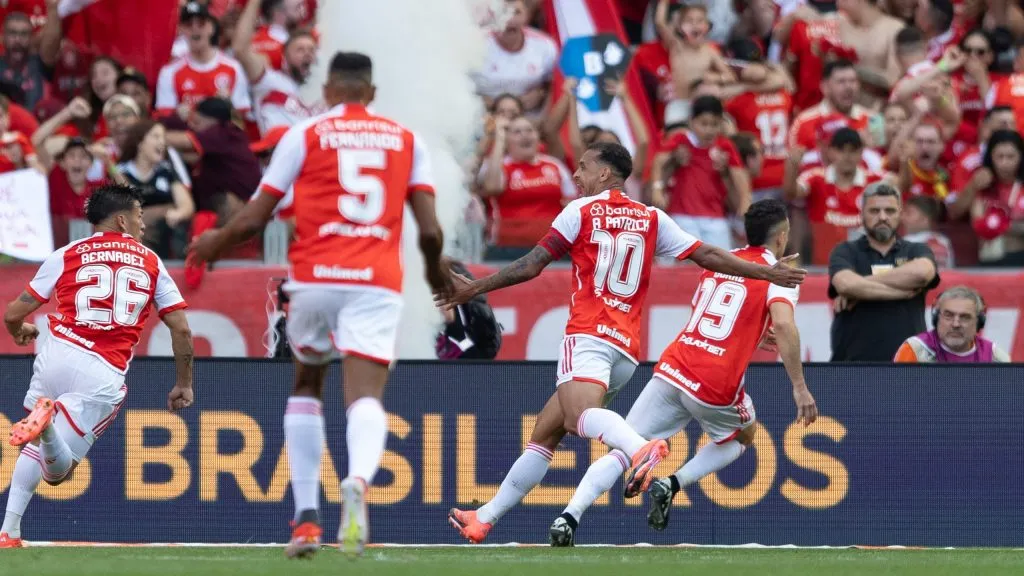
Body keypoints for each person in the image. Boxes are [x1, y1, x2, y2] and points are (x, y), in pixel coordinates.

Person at [439, 141, 807, 545]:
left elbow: (533, 264)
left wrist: (476, 287)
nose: (576, 175)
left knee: (581, 416)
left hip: (588, 334)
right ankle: (485, 518)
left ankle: (639, 449)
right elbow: (709, 255)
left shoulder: (579, 211)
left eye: (583, 167)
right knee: (546, 432)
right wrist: (765, 275)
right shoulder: (651, 217)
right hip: (627, 349)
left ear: (605, 174)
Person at [188, 51, 450, 559]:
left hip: (313, 277)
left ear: (328, 90)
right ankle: (356, 479)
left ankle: (306, 517)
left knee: (307, 384)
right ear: (371, 93)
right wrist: (436, 271)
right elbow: (432, 229)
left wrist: (212, 244)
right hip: (376, 282)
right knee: (365, 397)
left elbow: (253, 219)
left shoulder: (303, 135)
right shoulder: (407, 140)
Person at [548, 199, 818, 546]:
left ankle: (568, 516)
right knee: (744, 435)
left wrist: (752, 330)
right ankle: (672, 483)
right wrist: (799, 387)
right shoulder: (779, 273)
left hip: (674, 366)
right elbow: (783, 324)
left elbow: (716, 311)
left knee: (624, 448)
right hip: (714, 380)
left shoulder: (720, 260)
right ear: (781, 237)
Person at [0, 184, 194, 549]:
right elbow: (181, 328)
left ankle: (9, 531)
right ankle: (46, 431)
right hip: (102, 370)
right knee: (58, 472)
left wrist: (20, 329)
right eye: (138, 216)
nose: (142, 224)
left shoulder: (67, 253)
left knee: (37, 450)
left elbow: (13, 313)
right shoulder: (151, 261)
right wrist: (184, 383)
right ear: (121, 219)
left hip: (56, 353)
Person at [828, 183, 941, 361]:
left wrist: (860, 288)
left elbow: (923, 273)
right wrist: (902, 292)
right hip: (851, 365)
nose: (882, 217)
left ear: (900, 214)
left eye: (890, 211)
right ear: (862, 214)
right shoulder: (845, 251)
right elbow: (845, 284)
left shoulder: (916, 249)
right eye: (874, 211)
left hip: (909, 363)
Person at [233, 0, 322, 136]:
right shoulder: (269, 73)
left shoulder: (310, 40)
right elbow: (240, 50)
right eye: (300, 50)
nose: (307, 54)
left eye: (311, 50)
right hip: (265, 132)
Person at [894, 285, 1011, 362]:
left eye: (965, 317)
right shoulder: (915, 350)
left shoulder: (994, 357)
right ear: (936, 318)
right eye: (948, 315)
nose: (956, 324)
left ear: (979, 322)